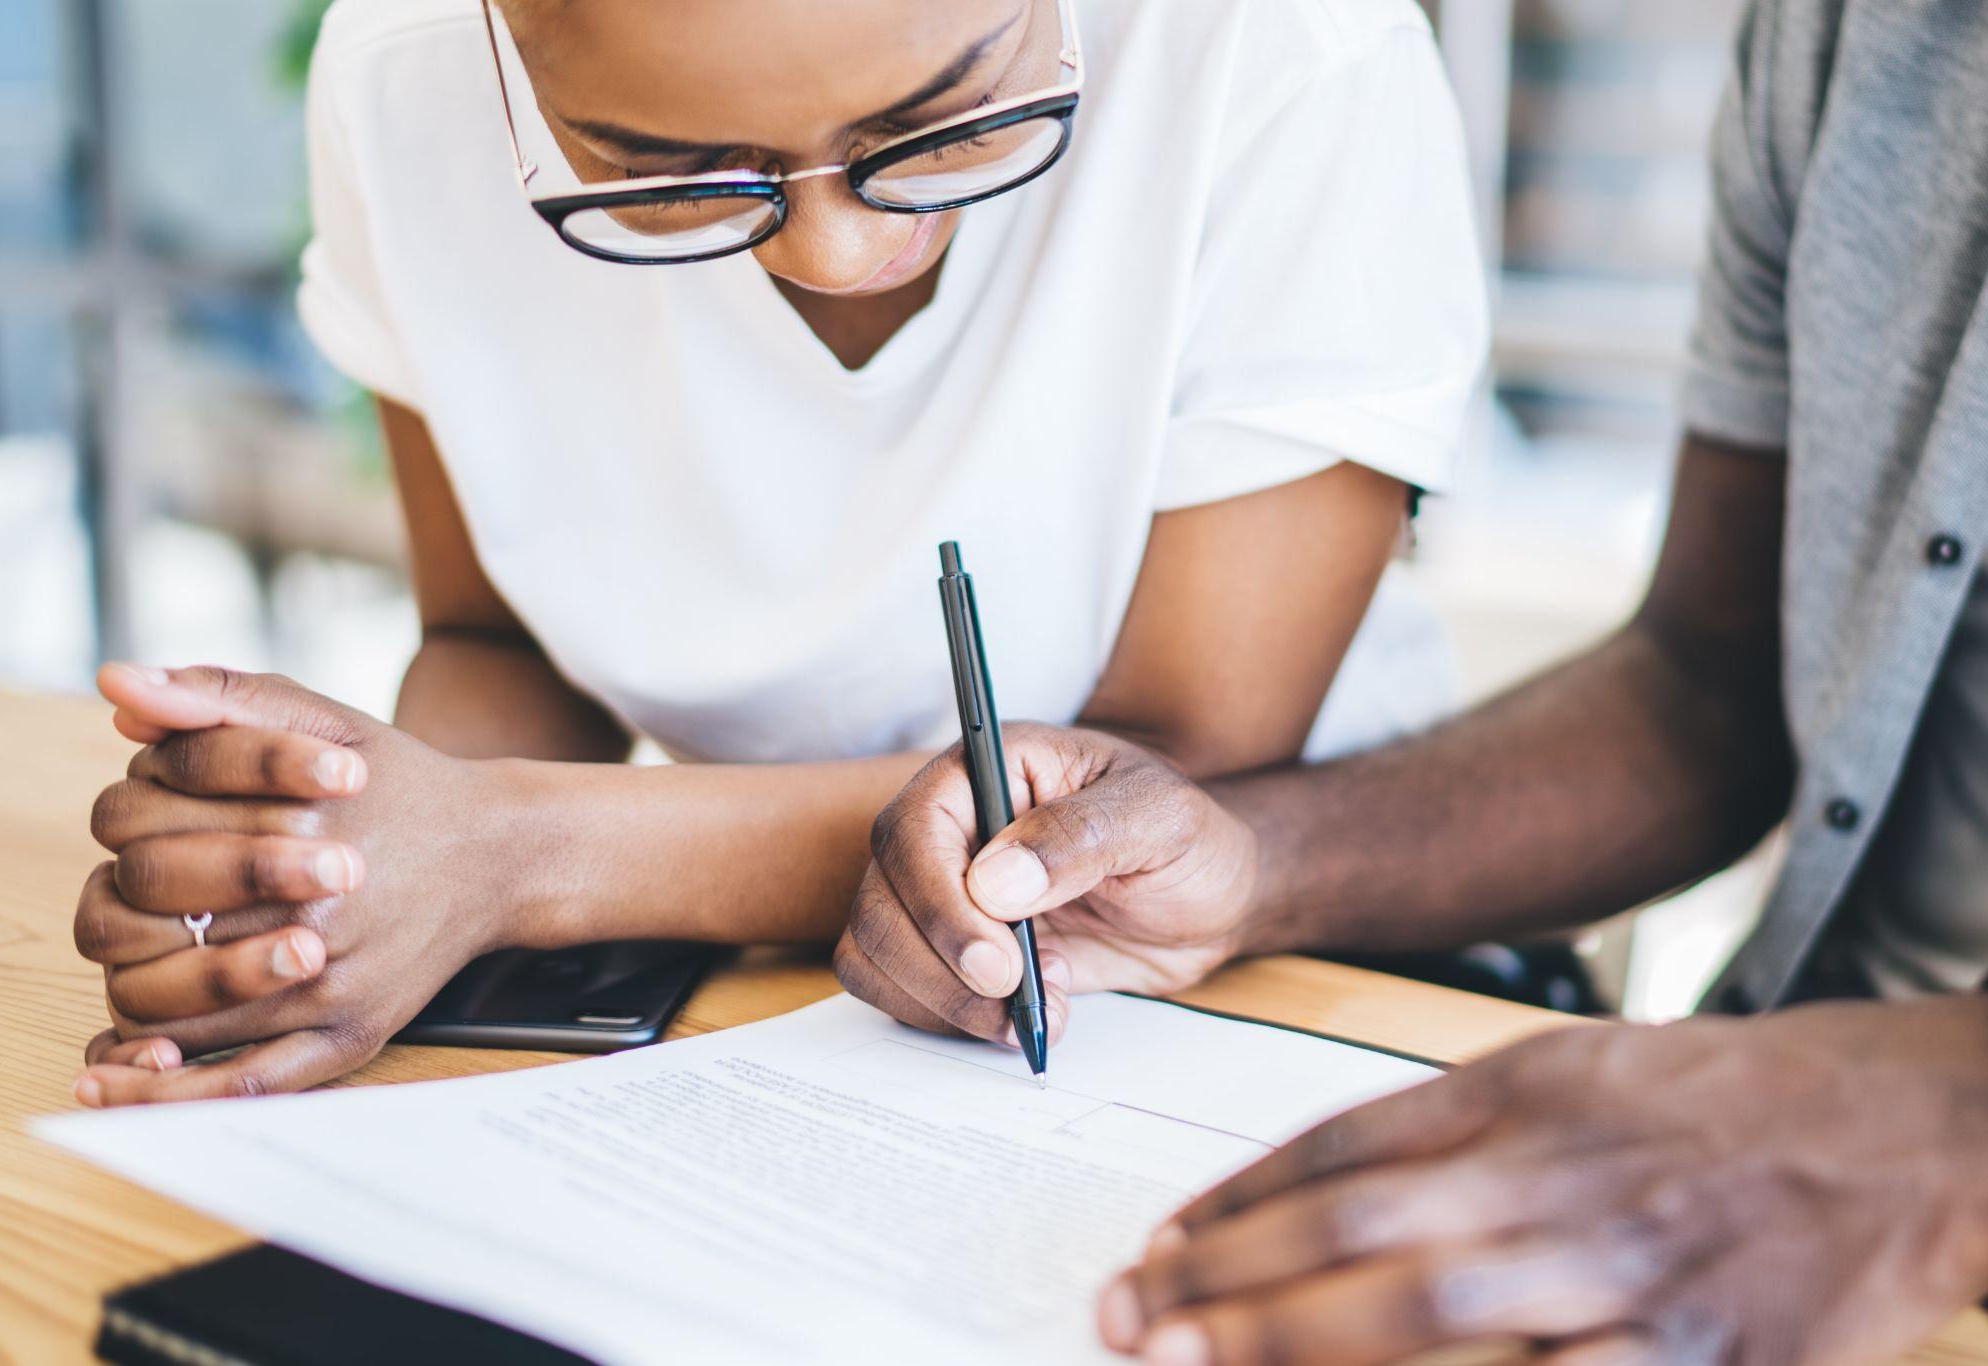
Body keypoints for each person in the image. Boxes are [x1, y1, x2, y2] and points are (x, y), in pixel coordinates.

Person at [66, 0, 1487, 1103]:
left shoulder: (1285, 50)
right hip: (746, 996)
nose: (838, 250)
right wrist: (335, 884)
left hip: (1293, 984)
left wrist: (506, 852)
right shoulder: (409, 73)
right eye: (664, 174)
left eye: (947, 118)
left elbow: (1166, 784)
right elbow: (498, 646)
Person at [836, 1, 1988, 1361]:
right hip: (1775, 1114)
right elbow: (1708, 686)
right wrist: (1252, 865)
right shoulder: (1844, 36)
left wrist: (1937, 1122)